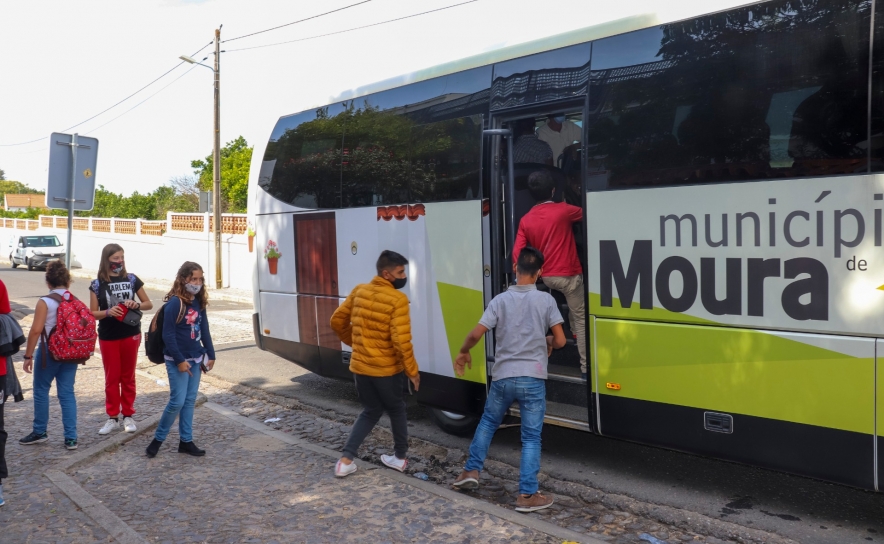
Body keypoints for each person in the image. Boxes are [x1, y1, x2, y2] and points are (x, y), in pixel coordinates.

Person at [451, 247, 566, 513]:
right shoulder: (546, 301)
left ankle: (470, 471)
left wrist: (464, 351)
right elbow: (560, 341)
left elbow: (477, 333)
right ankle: (526, 496)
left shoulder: (500, 300)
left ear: (515, 267)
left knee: (488, 422)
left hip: (503, 376)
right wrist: (547, 339)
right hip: (533, 378)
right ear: (539, 273)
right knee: (531, 437)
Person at [330, 250, 420, 477]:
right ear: (386, 274)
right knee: (397, 408)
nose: (404, 276)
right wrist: (412, 371)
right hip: (386, 370)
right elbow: (401, 341)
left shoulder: (359, 291)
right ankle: (399, 458)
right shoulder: (397, 300)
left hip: (360, 368)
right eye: (400, 272)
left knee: (370, 411)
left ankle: (345, 461)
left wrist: (356, 343)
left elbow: (337, 321)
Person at [512, 169, 587, 379]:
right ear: (553, 191)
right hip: (568, 275)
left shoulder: (526, 220)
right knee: (580, 317)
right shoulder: (564, 210)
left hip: (545, 277)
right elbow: (589, 212)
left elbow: (517, 255)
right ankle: (585, 368)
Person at [145, 262, 215, 458]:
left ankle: (186, 441)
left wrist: (211, 353)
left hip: (196, 357)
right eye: (193, 279)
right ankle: (158, 439)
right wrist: (179, 360)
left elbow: (205, 330)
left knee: (190, 400)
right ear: (183, 279)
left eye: (200, 279)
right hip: (178, 360)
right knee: (177, 401)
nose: (197, 283)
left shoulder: (198, 302)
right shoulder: (176, 303)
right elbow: (168, 335)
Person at [89, 244, 153, 435]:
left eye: (122, 257)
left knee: (128, 376)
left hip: (130, 333)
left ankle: (128, 415)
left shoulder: (132, 279)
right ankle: (112, 417)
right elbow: (92, 313)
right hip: (108, 336)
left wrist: (137, 303)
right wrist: (108, 311)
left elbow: (148, 304)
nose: (119, 261)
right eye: (116, 258)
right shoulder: (96, 284)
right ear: (107, 259)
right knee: (111, 378)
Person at [19, 261, 81, 451]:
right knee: (67, 393)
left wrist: (28, 356)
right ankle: (71, 438)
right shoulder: (75, 300)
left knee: (40, 391)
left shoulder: (45, 301)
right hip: (71, 353)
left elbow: (36, 330)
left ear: (48, 282)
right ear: (68, 282)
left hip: (49, 352)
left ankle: (40, 432)